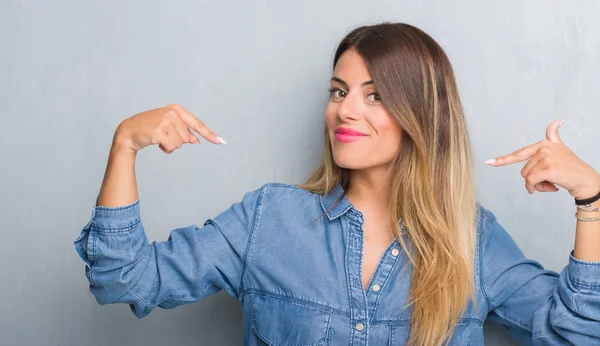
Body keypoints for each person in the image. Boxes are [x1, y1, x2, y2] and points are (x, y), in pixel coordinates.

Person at [73, 22, 600, 345]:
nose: (344, 109)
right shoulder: (269, 220)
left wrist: (591, 201)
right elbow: (125, 280)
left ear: (423, 116)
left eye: (375, 95)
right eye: (339, 90)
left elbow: (577, 334)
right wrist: (125, 145)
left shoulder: (474, 242)